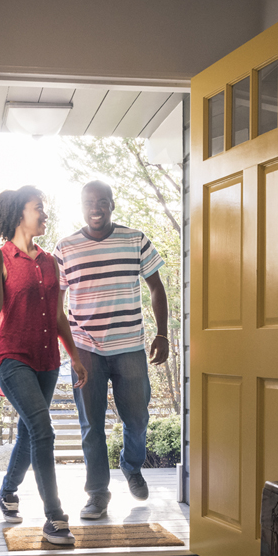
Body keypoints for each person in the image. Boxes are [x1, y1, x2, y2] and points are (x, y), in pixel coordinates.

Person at [54, 180, 169, 520]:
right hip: (86, 349)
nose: (96, 208)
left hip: (130, 347)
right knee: (91, 426)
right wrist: (68, 350)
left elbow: (156, 288)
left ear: (112, 205)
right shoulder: (66, 248)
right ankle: (97, 494)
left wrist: (162, 334)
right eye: (90, 202)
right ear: (81, 206)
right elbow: (56, 307)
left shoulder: (135, 239)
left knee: (137, 417)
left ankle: (131, 466)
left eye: (103, 201)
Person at [0, 185, 87, 545]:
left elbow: (58, 316)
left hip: (46, 356)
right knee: (43, 430)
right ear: (18, 215)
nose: (44, 214)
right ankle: (55, 517)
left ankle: (7, 491)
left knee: (31, 431)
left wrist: (74, 356)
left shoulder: (49, 261)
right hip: (11, 354)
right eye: (37, 208)